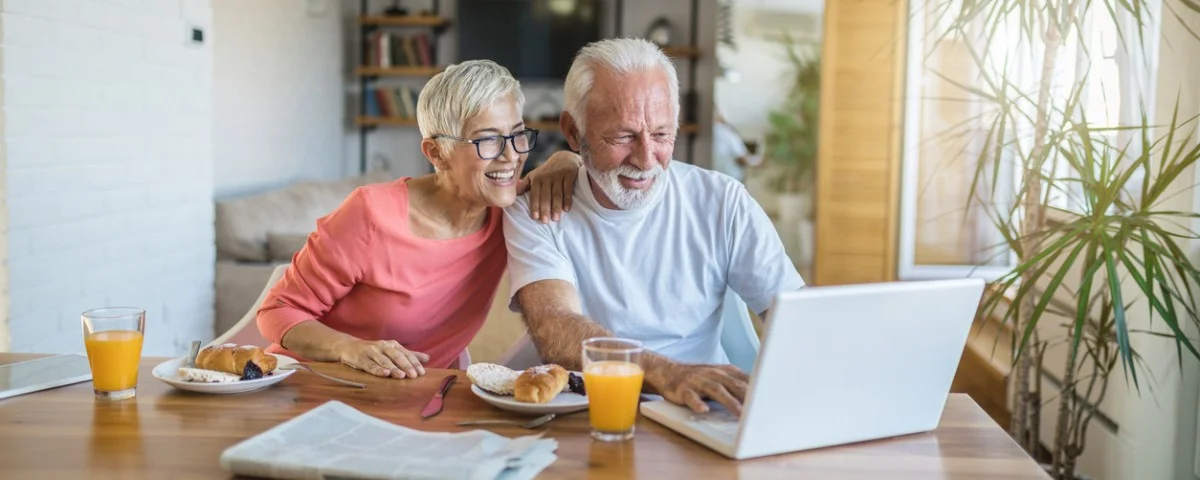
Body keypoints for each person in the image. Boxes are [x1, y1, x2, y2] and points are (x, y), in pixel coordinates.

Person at [502, 38, 805, 416]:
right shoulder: (539, 208)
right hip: (592, 412)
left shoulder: (723, 201)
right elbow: (556, 328)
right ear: (574, 132)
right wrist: (668, 374)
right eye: (623, 136)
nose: (647, 159)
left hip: (703, 410)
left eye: (661, 134)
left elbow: (795, 318)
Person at [256, 60, 580, 379]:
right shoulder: (370, 214)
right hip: (315, 386)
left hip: (413, 398)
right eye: (488, 140)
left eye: (518, 135)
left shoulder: (511, 210)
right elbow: (277, 311)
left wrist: (568, 159)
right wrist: (349, 348)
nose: (511, 156)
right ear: (436, 153)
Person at [710, 110, 758, 182]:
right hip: (728, 178)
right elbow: (741, 158)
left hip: (713, 175)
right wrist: (755, 161)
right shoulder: (727, 133)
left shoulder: (711, 130)